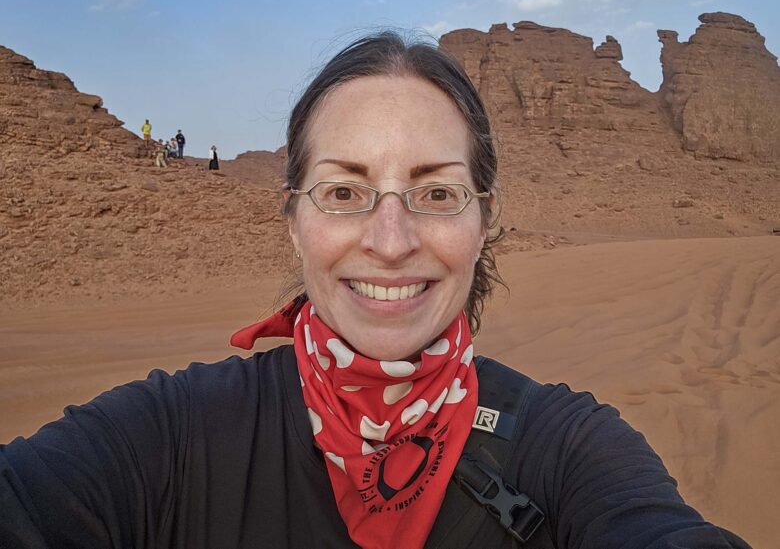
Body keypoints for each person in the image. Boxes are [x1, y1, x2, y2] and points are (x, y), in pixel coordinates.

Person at [0, 33, 752, 549]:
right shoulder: (172, 438)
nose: (390, 242)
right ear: (294, 220)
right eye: (342, 190)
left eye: (436, 194)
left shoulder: (568, 449)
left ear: (485, 221)